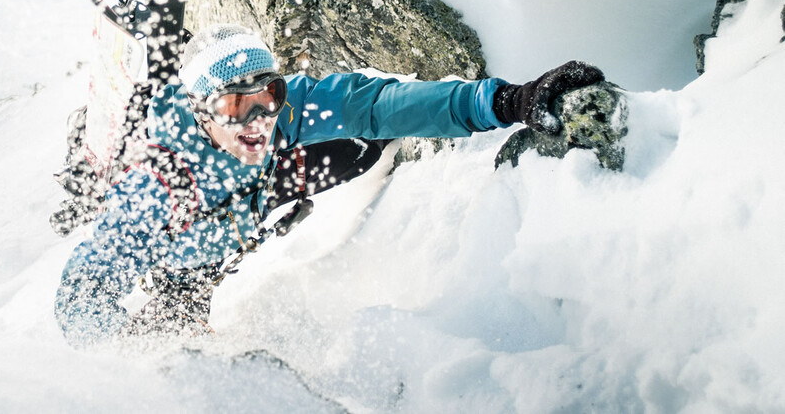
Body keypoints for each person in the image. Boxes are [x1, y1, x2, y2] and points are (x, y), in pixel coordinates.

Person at [55, 24, 603, 345]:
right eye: (234, 106)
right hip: (186, 253)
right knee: (179, 338)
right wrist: (122, 351)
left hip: (251, 199)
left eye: (267, 97)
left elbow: (379, 103)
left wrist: (511, 100)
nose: (257, 122)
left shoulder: (280, 117)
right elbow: (80, 292)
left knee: (364, 142)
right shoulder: (158, 185)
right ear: (201, 112)